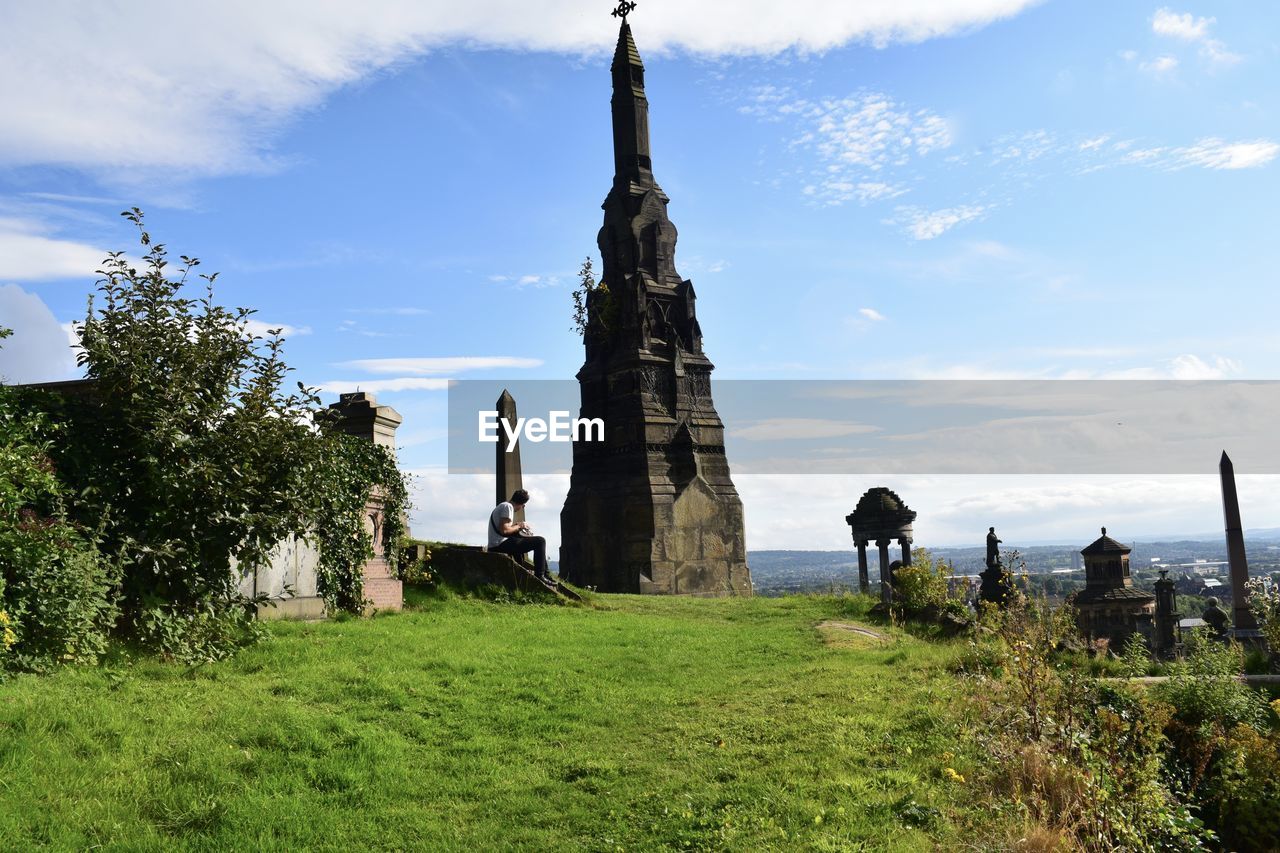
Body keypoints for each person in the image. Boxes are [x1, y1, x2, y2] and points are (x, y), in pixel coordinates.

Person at [488, 489, 550, 581]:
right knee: (540, 541)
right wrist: (519, 525)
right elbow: (504, 531)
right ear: (522, 505)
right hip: (499, 545)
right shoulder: (508, 507)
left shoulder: (504, 505)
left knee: (524, 539)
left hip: (497, 544)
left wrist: (517, 527)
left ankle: (544, 574)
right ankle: (540, 575)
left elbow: (505, 529)